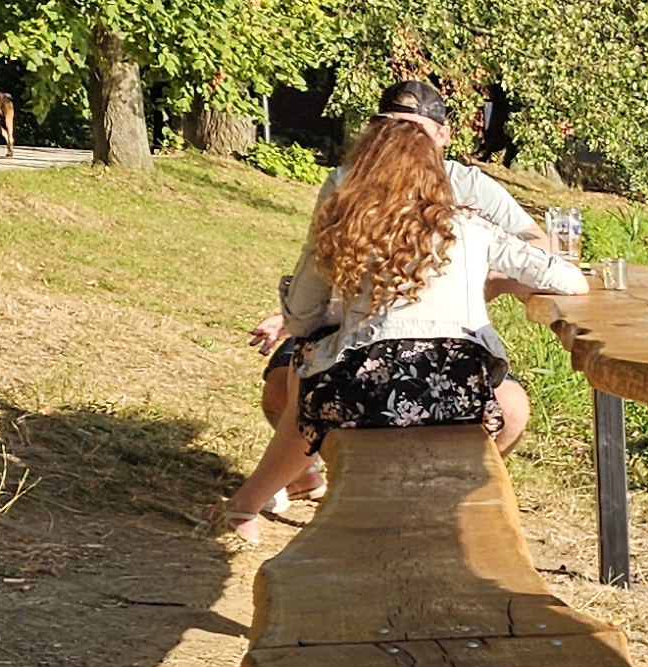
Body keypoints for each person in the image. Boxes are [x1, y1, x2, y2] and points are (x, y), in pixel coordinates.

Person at [220, 94, 583, 544]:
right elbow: (567, 277)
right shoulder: (471, 227)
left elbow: (302, 318)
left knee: (308, 375)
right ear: (436, 170)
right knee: (496, 408)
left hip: (360, 392)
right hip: (454, 394)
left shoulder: (345, 222)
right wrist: (488, 281)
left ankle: (252, 502)